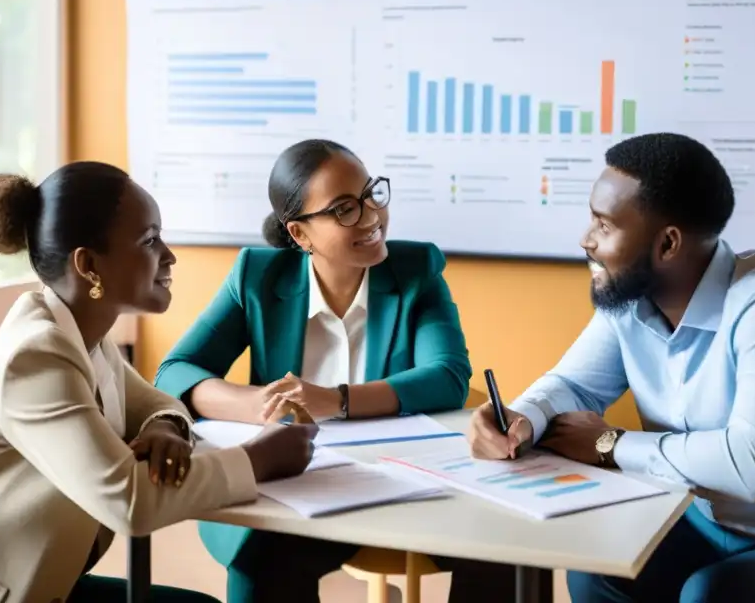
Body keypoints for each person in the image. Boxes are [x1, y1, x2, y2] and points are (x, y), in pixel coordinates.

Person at [468, 132, 755, 603]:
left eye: (604, 226)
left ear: (668, 243)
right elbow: (573, 386)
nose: (586, 241)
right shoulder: (629, 301)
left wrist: (611, 444)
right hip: (705, 521)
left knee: (708, 594)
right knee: (593, 573)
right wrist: (522, 417)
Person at [0, 163, 317, 603]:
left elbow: (155, 402)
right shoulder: (34, 357)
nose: (169, 256)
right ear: (89, 264)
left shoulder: (84, 336)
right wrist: (259, 459)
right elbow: (130, 502)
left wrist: (163, 427)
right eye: (149, 241)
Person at [155, 138, 510, 602]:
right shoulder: (258, 277)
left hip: (408, 483)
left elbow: (447, 377)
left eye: (371, 195)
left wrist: (337, 400)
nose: (370, 217)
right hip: (301, 486)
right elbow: (176, 371)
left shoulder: (415, 269)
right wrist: (259, 404)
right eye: (344, 209)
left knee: (506, 551)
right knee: (264, 560)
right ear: (300, 235)